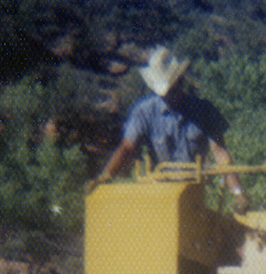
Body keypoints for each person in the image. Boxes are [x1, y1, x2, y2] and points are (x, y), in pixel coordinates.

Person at [88, 46, 249, 212]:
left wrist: (238, 192)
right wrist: (105, 177)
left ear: (181, 81)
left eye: (171, 91)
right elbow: (127, 148)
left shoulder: (204, 110)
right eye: (162, 93)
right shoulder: (144, 112)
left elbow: (220, 152)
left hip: (193, 195)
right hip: (159, 195)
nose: (166, 97)